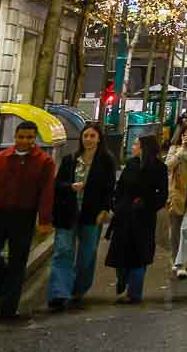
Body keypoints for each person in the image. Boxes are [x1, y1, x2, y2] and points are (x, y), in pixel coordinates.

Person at [0, 120, 56, 320]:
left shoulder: (44, 162)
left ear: (35, 138)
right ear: (15, 137)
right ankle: (5, 283)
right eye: (22, 137)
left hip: (24, 216)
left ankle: (8, 308)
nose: (25, 141)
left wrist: (44, 220)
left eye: (30, 137)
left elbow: (46, 193)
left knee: (18, 261)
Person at [47, 123, 116, 311]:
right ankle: (59, 293)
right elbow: (57, 184)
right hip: (67, 213)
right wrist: (70, 187)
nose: (88, 140)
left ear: (99, 138)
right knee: (63, 251)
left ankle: (78, 289)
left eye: (92, 136)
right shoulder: (70, 159)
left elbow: (109, 188)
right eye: (86, 136)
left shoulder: (106, 161)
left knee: (87, 254)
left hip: (91, 215)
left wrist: (105, 209)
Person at [104, 135, 167, 304]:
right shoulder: (131, 164)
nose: (133, 147)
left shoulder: (159, 168)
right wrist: (117, 205)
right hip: (124, 217)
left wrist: (146, 204)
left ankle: (134, 293)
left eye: (136, 144)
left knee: (139, 257)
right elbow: (121, 187)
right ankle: (122, 280)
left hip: (144, 219)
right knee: (120, 255)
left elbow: (162, 195)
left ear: (145, 148)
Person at [165, 121, 187, 278]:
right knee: (175, 229)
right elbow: (167, 166)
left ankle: (181, 263)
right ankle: (175, 259)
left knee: (186, 228)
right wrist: (181, 150)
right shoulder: (175, 149)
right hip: (178, 192)